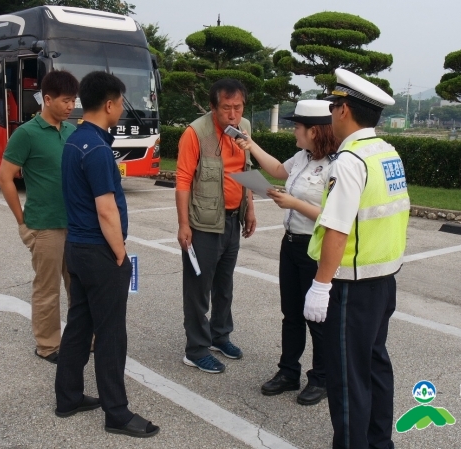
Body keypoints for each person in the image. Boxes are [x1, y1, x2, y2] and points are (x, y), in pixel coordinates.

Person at [304, 68, 409, 449]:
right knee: (375, 364)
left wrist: (320, 285)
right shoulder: (386, 152)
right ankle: (380, 443)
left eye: (333, 106)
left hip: (351, 284)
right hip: (383, 279)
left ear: (344, 109)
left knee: (347, 377)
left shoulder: (349, 161)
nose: (331, 114)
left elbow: (336, 228)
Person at [55, 71, 159, 438]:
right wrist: (120, 253)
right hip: (99, 251)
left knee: (80, 325)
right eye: (120, 104)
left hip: (76, 249)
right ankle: (117, 412)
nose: (120, 112)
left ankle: (67, 396)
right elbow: (106, 209)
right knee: (112, 333)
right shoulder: (98, 149)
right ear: (111, 104)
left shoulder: (74, 140)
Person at [234, 100, 339, 406]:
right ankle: (288, 372)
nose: (294, 131)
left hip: (314, 248)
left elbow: (333, 214)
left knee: (316, 318)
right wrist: (251, 145)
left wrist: (293, 203)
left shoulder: (335, 165)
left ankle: (320, 378)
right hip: (291, 243)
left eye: (298, 127)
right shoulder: (303, 156)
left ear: (315, 131)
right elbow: (279, 170)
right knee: (291, 314)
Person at [176, 78, 257, 374]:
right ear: (213, 107)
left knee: (225, 285)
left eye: (238, 107)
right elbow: (183, 180)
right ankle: (196, 349)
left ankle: (220, 336)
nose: (233, 114)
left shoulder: (244, 127)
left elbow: (245, 169)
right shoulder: (195, 134)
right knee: (198, 288)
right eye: (226, 108)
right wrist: (183, 225)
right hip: (203, 223)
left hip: (233, 219)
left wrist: (250, 207)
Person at [0, 70, 77, 364]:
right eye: (66, 101)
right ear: (47, 99)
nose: (71, 106)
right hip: (44, 226)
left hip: (76, 225)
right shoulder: (26, 134)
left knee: (79, 285)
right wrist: (22, 222)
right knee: (48, 289)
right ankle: (48, 345)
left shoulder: (72, 132)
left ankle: (85, 337)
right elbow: (4, 178)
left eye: (74, 100)